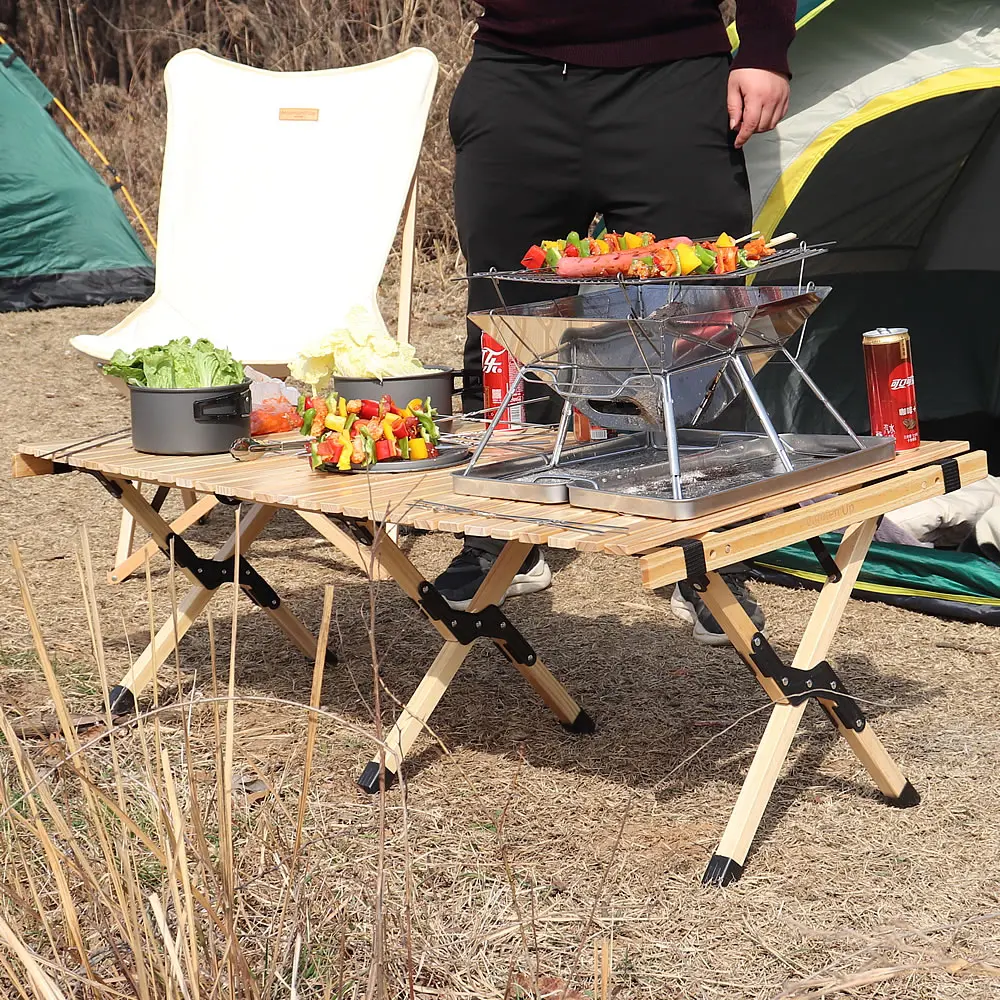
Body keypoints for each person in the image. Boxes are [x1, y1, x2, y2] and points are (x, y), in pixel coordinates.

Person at [433, 0, 796, 645]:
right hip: (516, 74)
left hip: (675, 75)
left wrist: (766, 48)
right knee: (505, 313)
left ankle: (707, 547)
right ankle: (503, 534)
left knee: (702, 311)